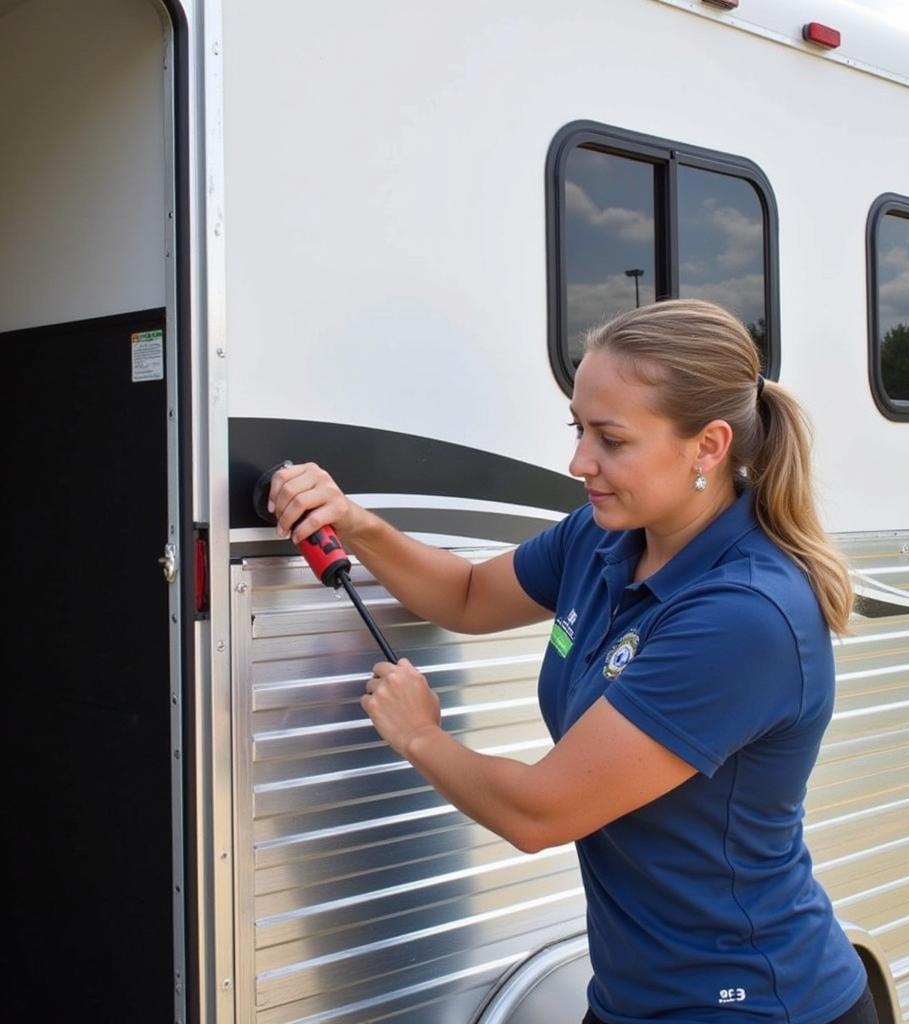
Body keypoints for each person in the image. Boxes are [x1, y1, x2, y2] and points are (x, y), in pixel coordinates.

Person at [266, 299, 878, 1024]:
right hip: (634, 999)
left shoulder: (742, 615)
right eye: (578, 427)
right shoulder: (604, 536)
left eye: (611, 439)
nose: (579, 462)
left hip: (750, 1004)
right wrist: (356, 523)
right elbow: (466, 596)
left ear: (708, 447)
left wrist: (420, 736)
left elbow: (540, 812)